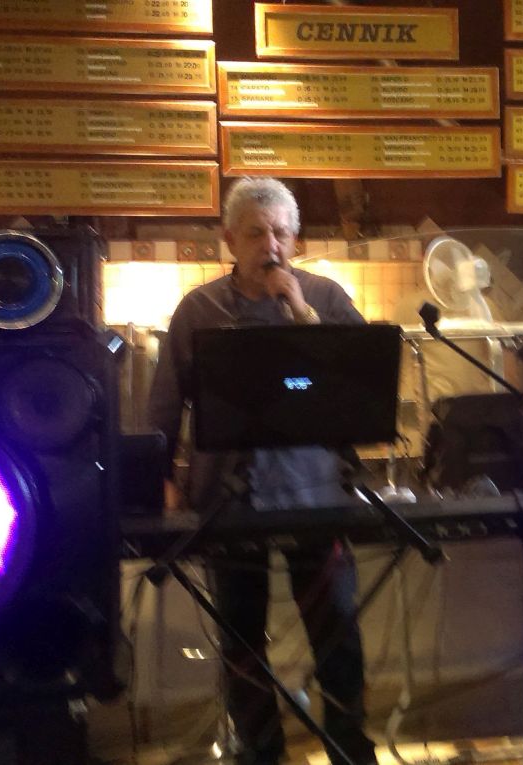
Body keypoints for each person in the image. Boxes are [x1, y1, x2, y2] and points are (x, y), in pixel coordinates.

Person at [147, 177, 378, 765]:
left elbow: (365, 382)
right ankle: (261, 751)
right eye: (255, 234)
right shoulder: (198, 310)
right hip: (227, 500)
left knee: (337, 631)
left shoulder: (325, 297)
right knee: (241, 638)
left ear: (295, 240)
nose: (269, 246)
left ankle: (349, 748)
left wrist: (300, 312)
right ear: (230, 240)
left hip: (316, 493)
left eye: (280, 233)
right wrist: (159, 479)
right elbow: (165, 404)